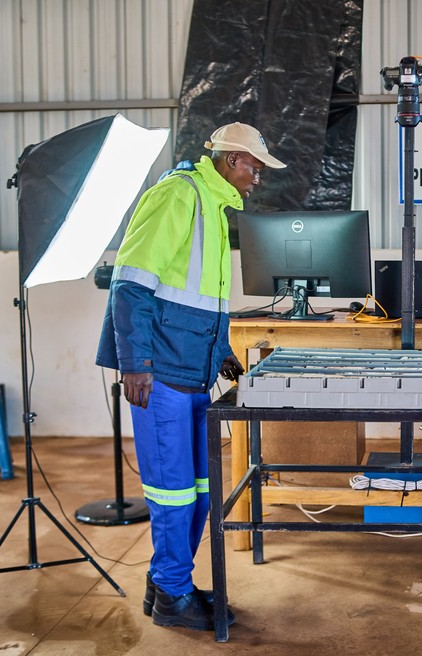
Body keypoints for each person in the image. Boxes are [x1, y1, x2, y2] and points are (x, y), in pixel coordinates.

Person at [96, 122, 286, 631]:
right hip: (160, 373)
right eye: (255, 166)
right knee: (173, 491)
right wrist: (135, 365)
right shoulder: (178, 195)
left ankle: (167, 583)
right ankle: (173, 593)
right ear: (230, 160)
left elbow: (207, 298)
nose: (258, 177)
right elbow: (131, 285)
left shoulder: (212, 205)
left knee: (200, 490)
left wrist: (222, 351)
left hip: (193, 369)